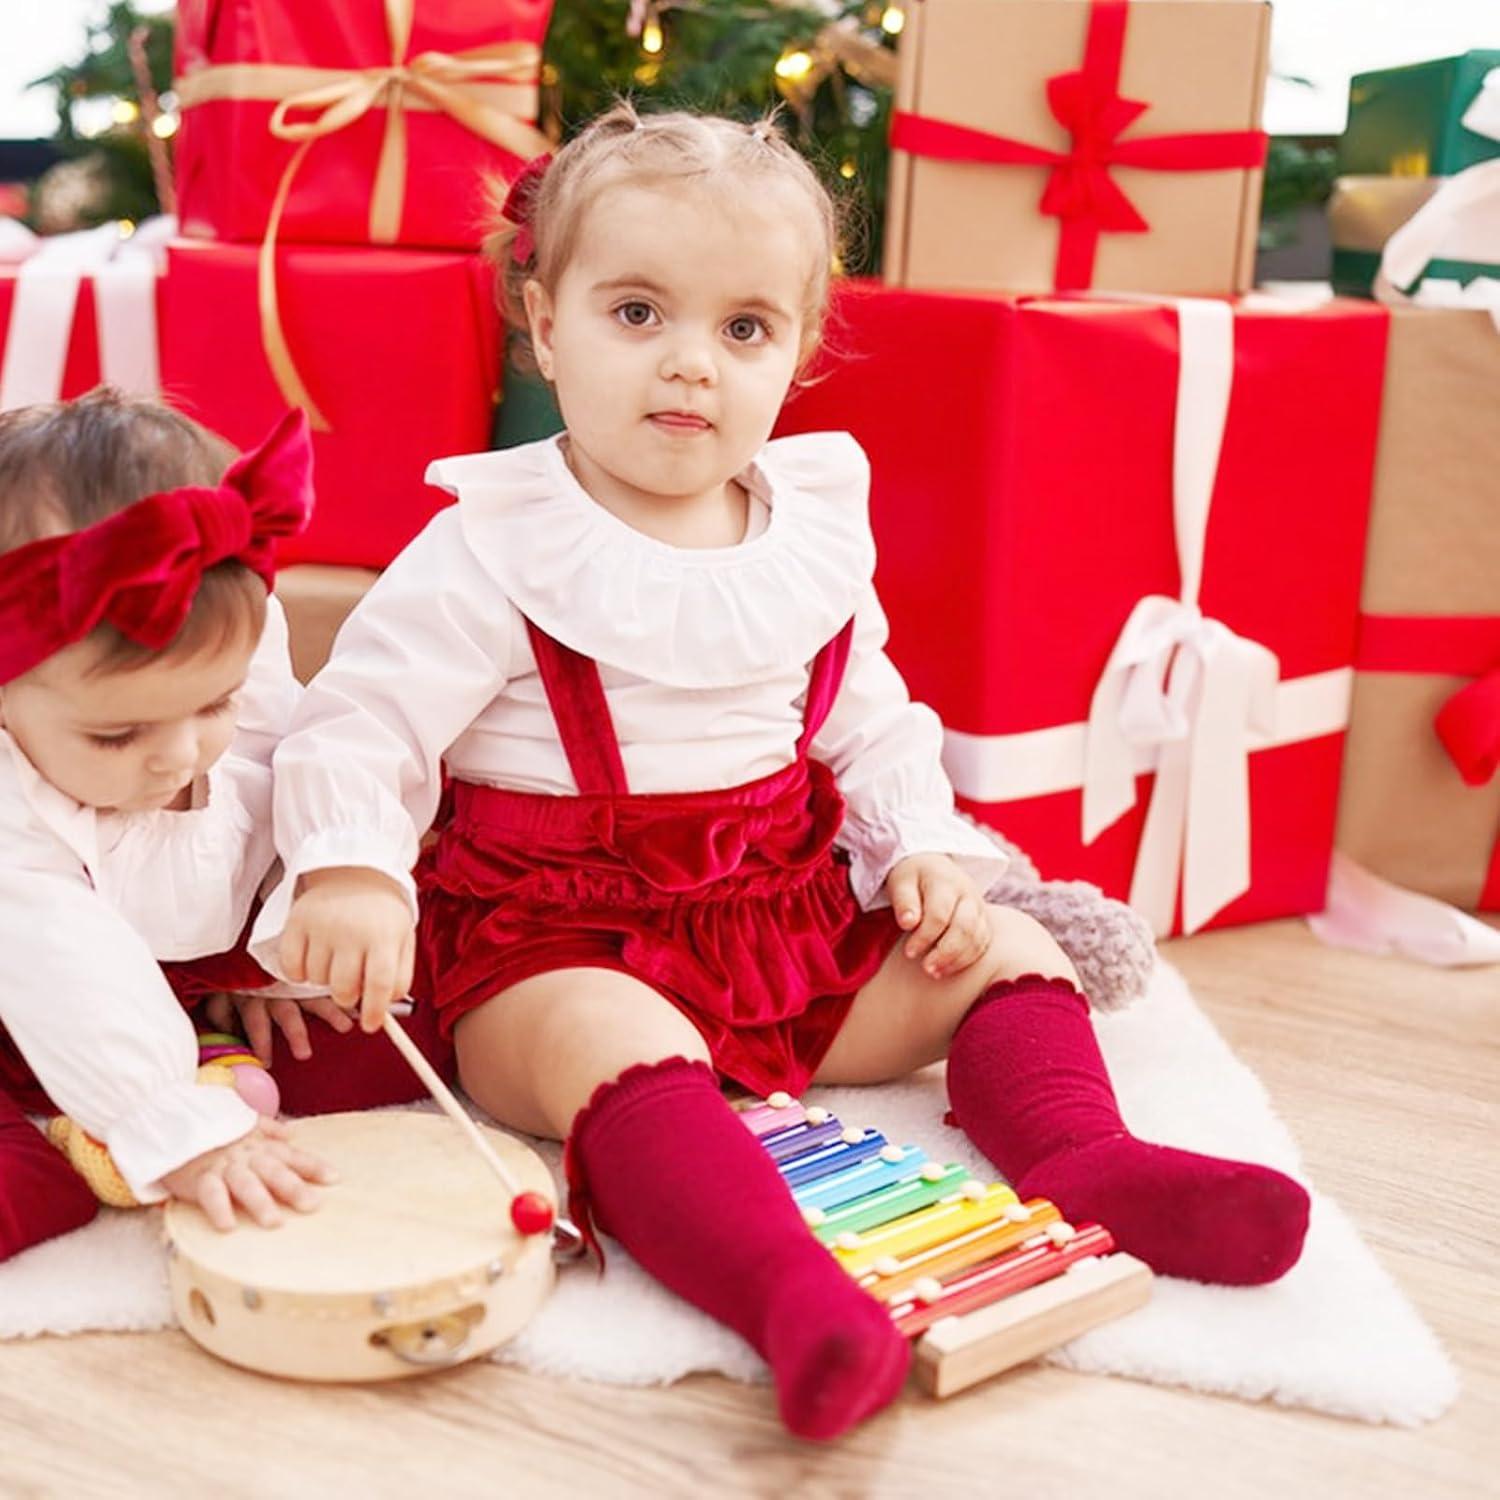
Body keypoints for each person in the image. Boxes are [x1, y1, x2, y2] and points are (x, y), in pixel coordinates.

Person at [256, 105, 1310, 1439]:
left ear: (801, 351)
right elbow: (361, 725)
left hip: (780, 927)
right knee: (615, 1043)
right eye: (637, 314)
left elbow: (871, 719)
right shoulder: (491, 548)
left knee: (998, 950)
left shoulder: (805, 536)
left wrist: (924, 847)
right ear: (544, 323)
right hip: (553, 944)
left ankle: (1086, 1155)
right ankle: (783, 1288)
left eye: (742, 329)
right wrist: (351, 869)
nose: (689, 366)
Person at [0, 391, 449, 1259]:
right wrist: (172, 1119)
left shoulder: (231, 667)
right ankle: (78, 1118)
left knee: (410, 1015)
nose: (178, 757)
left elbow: (281, 775)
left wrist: (279, 946)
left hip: (179, 967)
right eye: (118, 732)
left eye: (213, 703)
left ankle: (187, 1054)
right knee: (34, 1190)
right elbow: (61, 963)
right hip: (33, 992)